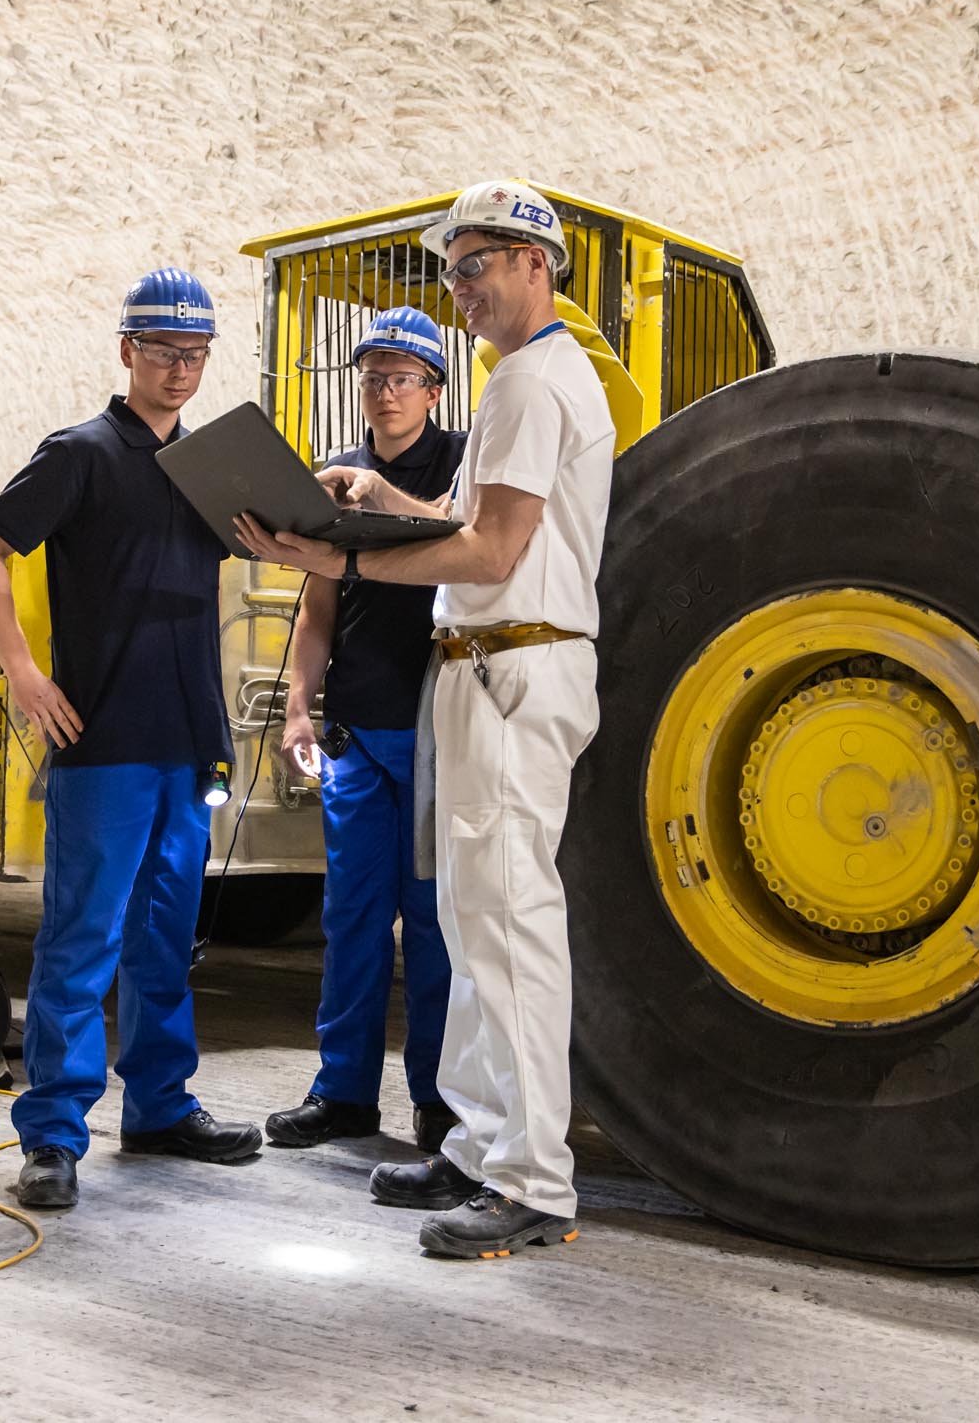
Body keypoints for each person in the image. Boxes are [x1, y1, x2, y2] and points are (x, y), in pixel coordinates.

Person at [235, 181, 612, 1259]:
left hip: (513, 666)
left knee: (506, 931)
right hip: (480, 669)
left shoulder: (536, 383)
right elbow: (474, 519)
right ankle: (479, 1145)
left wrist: (336, 555)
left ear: (539, 264)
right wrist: (385, 507)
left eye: (478, 261)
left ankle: (533, 1184)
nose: (461, 286)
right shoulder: (517, 383)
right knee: (469, 924)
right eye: (451, 269)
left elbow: (493, 555)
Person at [0, 266, 264, 1212]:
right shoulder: (81, 454)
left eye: (197, 354)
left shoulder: (210, 471)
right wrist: (22, 670)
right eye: (166, 350)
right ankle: (53, 1132)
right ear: (127, 350)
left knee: (165, 937)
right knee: (82, 936)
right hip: (104, 737)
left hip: (187, 740)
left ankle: (162, 1105)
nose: (181, 368)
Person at [264, 307, 466, 1154]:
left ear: (433, 388)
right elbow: (318, 605)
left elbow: (465, 531)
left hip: (434, 724)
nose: (385, 392)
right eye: (373, 377)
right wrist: (301, 702)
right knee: (351, 919)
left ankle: (439, 1099)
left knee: (431, 923)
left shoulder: (459, 459)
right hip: (355, 726)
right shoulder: (335, 472)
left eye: (402, 377)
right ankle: (343, 1093)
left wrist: (386, 498)